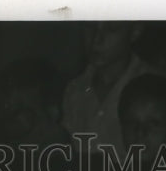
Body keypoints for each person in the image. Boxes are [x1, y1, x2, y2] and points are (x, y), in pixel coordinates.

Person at [62, 21, 154, 159]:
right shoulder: (73, 90)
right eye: (90, 26)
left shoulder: (155, 87)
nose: (96, 39)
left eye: (111, 29)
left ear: (135, 31)